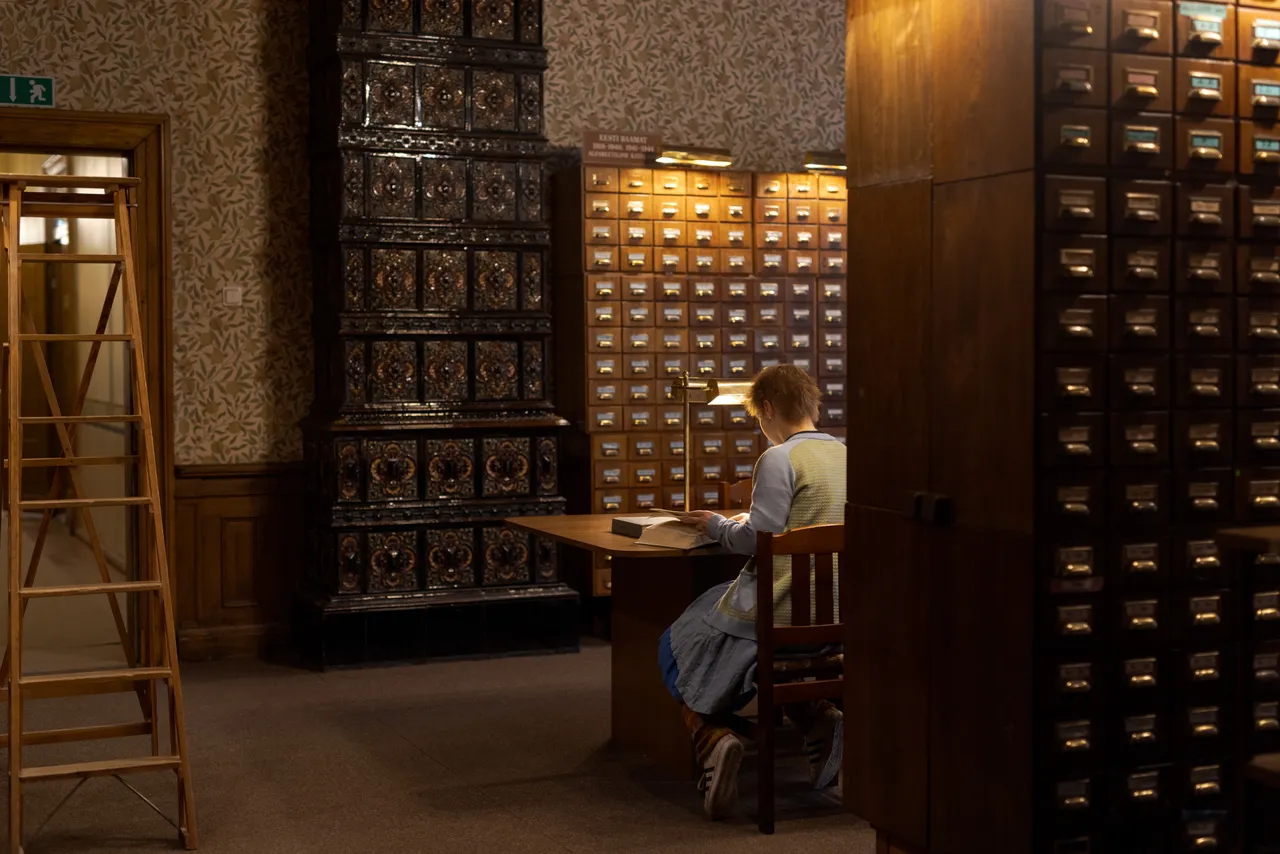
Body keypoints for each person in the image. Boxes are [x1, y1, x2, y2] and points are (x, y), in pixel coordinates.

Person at [658, 364, 846, 820]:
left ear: (765, 408)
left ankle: (713, 740)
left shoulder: (779, 458)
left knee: (674, 643)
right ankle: (817, 714)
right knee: (720, 615)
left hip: (776, 614)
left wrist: (717, 526)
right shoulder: (845, 453)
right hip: (836, 617)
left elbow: (757, 539)